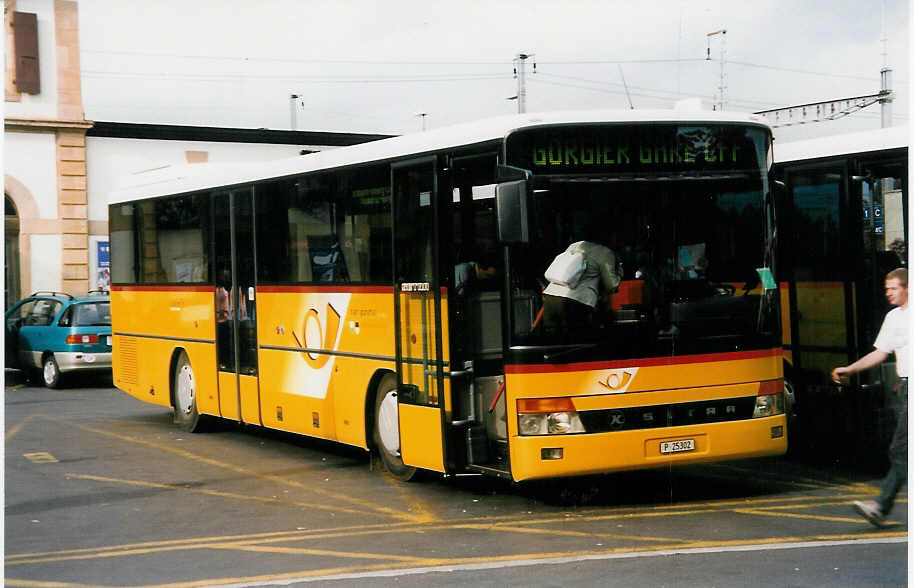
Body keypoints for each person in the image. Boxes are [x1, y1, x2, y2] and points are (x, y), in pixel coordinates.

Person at [830, 267, 909, 528]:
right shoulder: (893, 317)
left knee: (901, 450)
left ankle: (880, 507)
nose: (887, 293)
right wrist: (850, 369)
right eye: (886, 289)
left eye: (893, 288)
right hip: (906, 388)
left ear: (907, 287)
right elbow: (880, 353)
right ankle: (880, 506)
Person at [543, 240, 621, 340]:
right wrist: (619, 273)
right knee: (577, 341)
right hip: (577, 301)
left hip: (551, 297)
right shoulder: (605, 252)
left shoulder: (574, 246)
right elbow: (612, 286)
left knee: (554, 342)